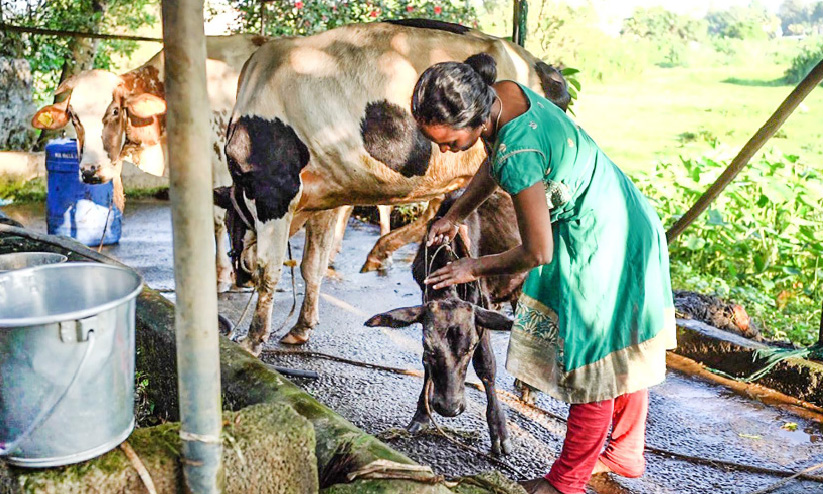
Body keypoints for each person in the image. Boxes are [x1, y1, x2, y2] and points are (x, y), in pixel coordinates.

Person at [411, 54, 676, 494]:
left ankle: (565, 483)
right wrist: (456, 214)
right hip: (626, 214)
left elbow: (537, 250)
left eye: (450, 143)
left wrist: (470, 267)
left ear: (477, 119)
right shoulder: (505, 95)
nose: (445, 150)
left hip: (600, 239)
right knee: (623, 344)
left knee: (593, 360)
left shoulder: (519, 151)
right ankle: (625, 451)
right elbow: (491, 163)